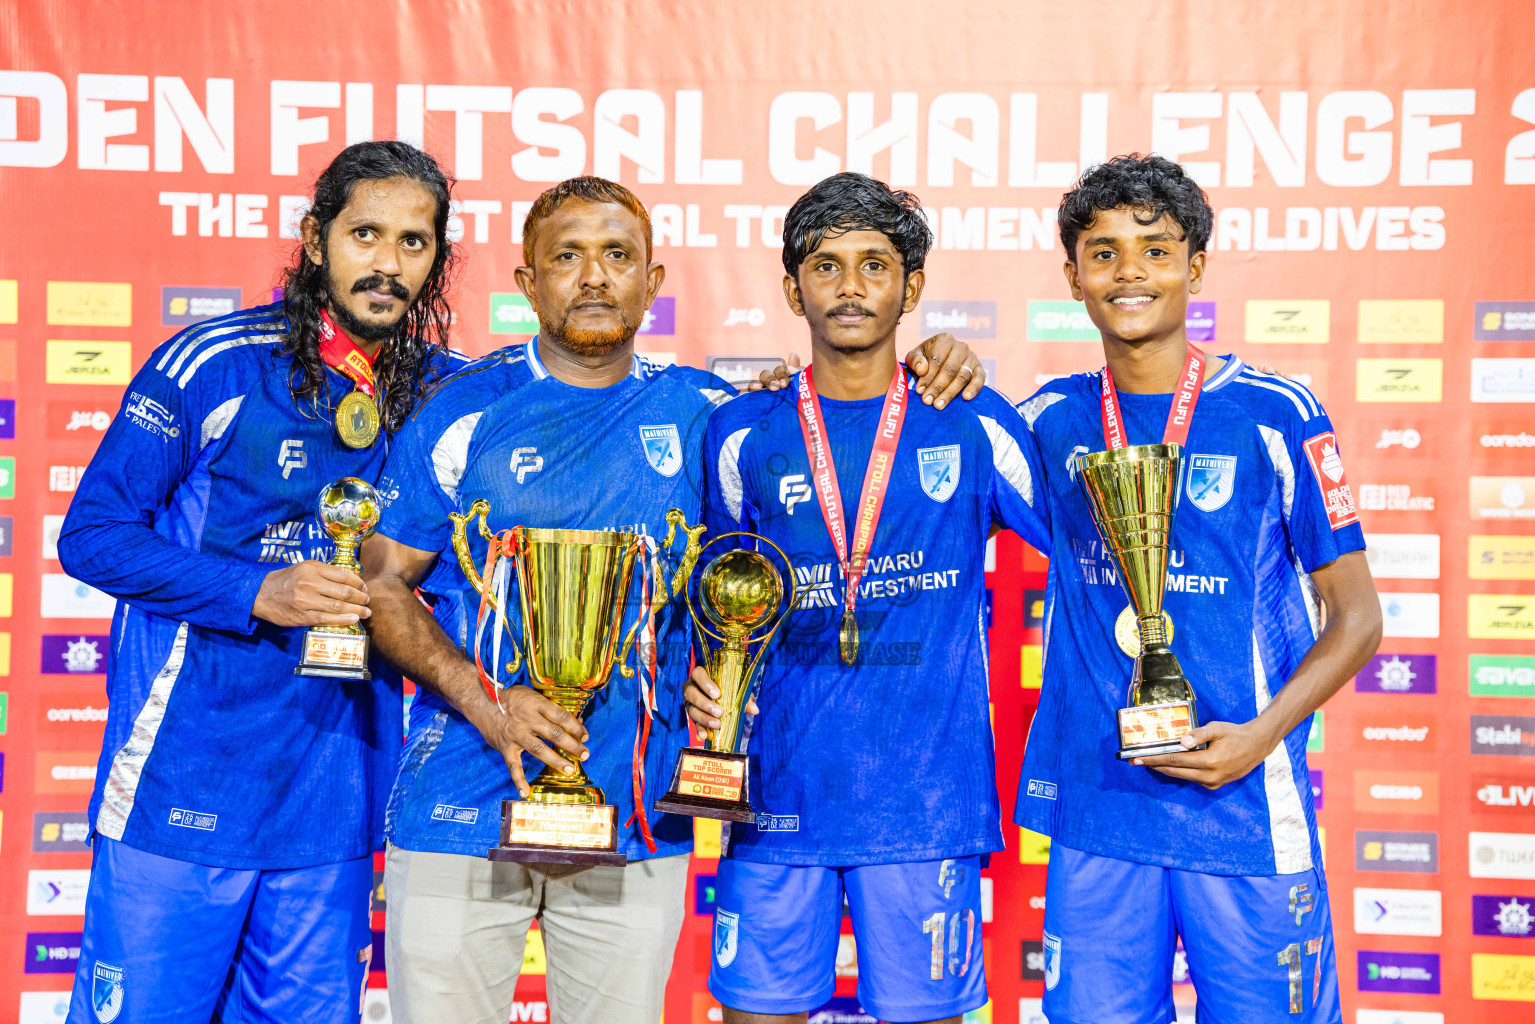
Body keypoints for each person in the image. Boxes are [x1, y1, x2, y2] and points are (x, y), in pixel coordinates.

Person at [360, 175, 991, 1024]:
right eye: (568, 257)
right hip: (460, 808)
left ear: (651, 282)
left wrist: (718, 669)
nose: (593, 277)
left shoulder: (712, 416)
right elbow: (381, 585)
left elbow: (761, 548)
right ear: (527, 282)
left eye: (617, 256)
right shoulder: (464, 409)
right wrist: (490, 702)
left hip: (634, 820)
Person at [57, 140, 465, 1024]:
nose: (387, 264)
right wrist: (255, 592)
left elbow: (571, 408)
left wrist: (760, 401)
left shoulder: (449, 395)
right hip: (183, 786)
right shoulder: (214, 363)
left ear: (436, 258)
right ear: (315, 240)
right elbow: (91, 537)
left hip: (335, 805)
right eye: (365, 234)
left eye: (413, 242)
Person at [1014, 154, 1380, 1024]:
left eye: (1154, 248)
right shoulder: (1045, 422)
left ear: (1196, 265)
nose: (1128, 271)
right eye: (1101, 253)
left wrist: (1260, 735)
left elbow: (1358, 618)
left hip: (1245, 809)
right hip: (1101, 811)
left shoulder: (1273, 412)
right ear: (1072, 278)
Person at [684, 172, 1050, 1024]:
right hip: (772, 796)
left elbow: (1090, 551)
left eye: (874, 267)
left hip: (924, 807)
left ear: (911, 287)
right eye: (825, 266)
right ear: (791, 287)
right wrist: (701, 681)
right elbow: (706, 594)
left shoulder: (971, 419)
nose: (849, 287)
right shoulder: (743, 429)